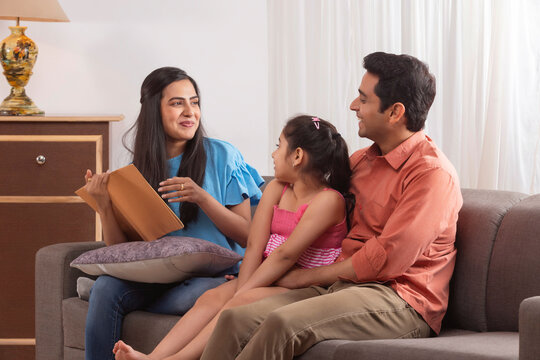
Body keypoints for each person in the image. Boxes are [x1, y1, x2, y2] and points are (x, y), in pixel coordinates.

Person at [200, 52, 464, 360]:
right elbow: (308, 204)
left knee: (283, 323)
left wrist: (302, 278)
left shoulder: (431, 174)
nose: (354, 106)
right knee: (236, 316)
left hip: (399, 299)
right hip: (342, 287)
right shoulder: (360, 163)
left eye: (363, 100)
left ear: (395, 112)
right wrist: (262, 270)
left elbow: (387, 261)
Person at [112, 115, 353, 360]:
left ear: (298, 156)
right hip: (271, 277)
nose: (274, 154)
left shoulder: (328, 200)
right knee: (211, 298)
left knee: (238, 305)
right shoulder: (276, 188)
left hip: (309, 286)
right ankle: (153, 357)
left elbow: (285, 255)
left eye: (279, 146)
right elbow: (254, 246)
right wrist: (243, 284)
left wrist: (244, 292)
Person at [82, 66, 264, 360]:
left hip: (212, 279)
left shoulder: (223, 156)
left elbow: (248, 234)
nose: (189, 112)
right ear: (155, 110)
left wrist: (203, 198)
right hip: (157, 279)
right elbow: (123, 252)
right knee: (105, 287)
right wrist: (104, 205)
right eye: (177, 103)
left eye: (194, 102)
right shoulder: (138, 171)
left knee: (196, 295)